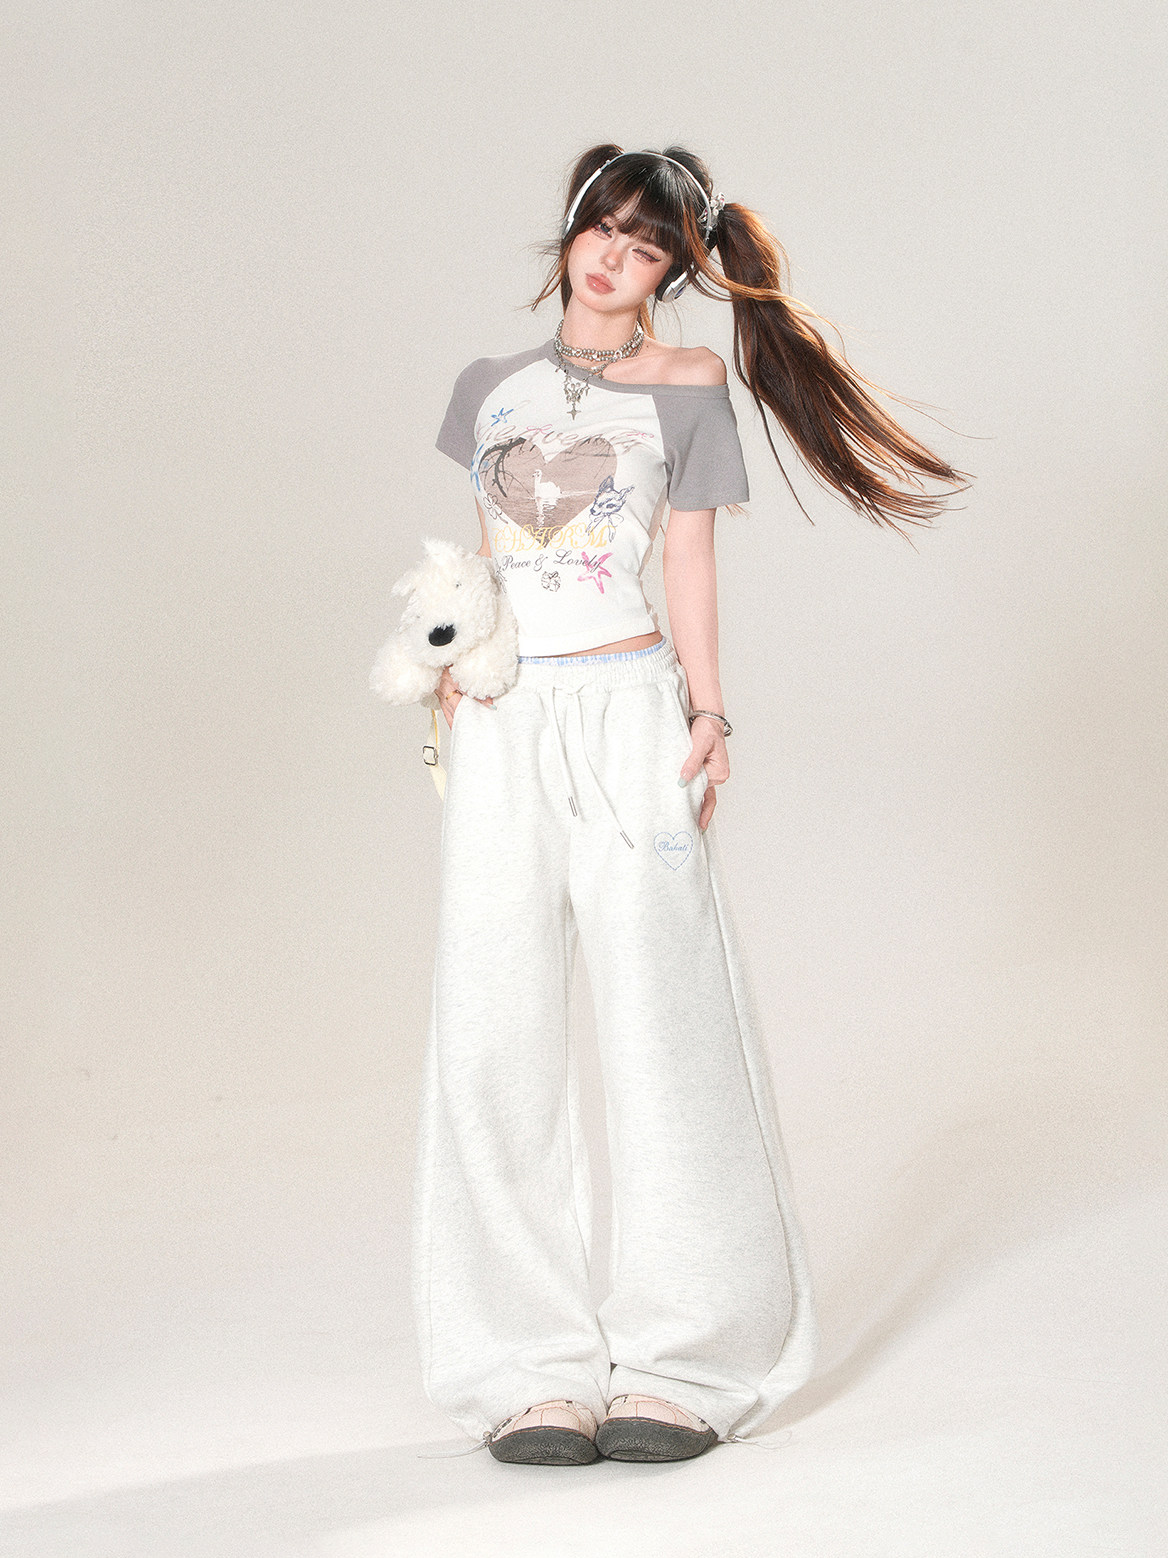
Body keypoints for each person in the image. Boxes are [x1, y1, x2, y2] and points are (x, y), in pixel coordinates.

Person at [411, 144, 967, 1468]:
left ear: (674, 266)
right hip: (502, 718)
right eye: (603, 229)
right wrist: (451, 671)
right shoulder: (488, 389)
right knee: (491, 1026)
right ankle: (524, 1367)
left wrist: (708, 717)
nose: (617, 255)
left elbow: (687, 552)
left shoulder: (688, 382)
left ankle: (686, 1356)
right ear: (567, 235)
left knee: (664, 1019)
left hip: (629, 713)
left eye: (648, 243)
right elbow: (487, 552)